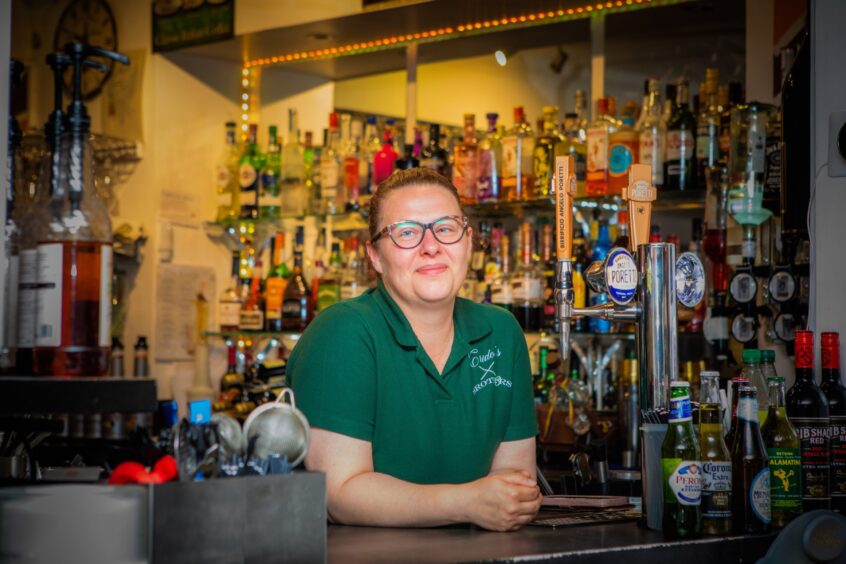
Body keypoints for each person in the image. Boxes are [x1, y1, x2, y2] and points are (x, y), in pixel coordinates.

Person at [288, 168, 540, 531]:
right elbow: (340, 494)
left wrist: (495, 502)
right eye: (406, 233)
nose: (431, 245)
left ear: (468, 240)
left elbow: (513, 489)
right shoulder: (343, 333)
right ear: (374, 256)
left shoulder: (501, 332)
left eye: (446, 228)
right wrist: (467, 502)